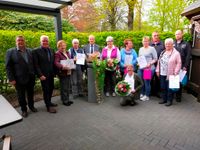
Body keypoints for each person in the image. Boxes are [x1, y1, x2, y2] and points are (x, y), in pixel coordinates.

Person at [5, 35, 37, 118]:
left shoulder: (30, 51)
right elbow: (8, 66)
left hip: (31, 77)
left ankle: (31, 106)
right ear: (16, 42)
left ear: (24, 41)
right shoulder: (10, 52)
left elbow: (34, 64)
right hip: (18, 79)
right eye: (18, 40)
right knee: (21, 95)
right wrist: (11, 79)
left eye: (22, 40)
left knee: (31, 93)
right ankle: (24, 110)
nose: (20, 42)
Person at [33, 35, 57, 113]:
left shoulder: (51, 50)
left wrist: (55, 72)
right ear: (40, 41)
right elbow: (35, 65)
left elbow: (53, 63)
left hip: (51, 74)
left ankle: (49, 102)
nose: (45, 42)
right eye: (43, 41)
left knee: (51, 88)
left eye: (46, 40)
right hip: (43, 75)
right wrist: (40, 75)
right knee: (46, 90)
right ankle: (48, 107)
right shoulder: (36, 51)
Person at [156, 38, 182, 106]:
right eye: (166, 44)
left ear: (172, 45)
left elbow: (179, 63)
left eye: (169, 44)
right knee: (163, 87)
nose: (167, 45)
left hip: (171, 74)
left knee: (169, 88)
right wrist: (158, 70)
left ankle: (169, 100)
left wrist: (175, 72)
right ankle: (164, 99)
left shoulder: (176, 53)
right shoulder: (163, 52)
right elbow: (159, 62)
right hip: (162, 73)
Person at [54, 40, 73, 106]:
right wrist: (62, 66)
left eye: (64, 45)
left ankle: (67, 99)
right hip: (63, 72)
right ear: (58, 47)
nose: (63, 47)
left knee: (67, 86)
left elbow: (70, 60)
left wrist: (73, 61)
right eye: (61, 46)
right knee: (64, 87)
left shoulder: (67, 52)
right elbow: (56, 62)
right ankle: (65, 101)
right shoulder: (57, 53)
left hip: (69, 71)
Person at [138, 36, 157, 101]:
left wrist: (150, 63)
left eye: (146, 41)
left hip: (148, 68)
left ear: (149, 42)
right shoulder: (140, 49)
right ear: (142, 42)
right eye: (144, 41)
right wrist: (139, 63)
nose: (145, 42)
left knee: (147, 82)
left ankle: (147, 95)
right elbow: (140, 58)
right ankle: (142, 93)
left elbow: (155, 59)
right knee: (141, 81)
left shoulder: (152, 49)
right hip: (141, 68)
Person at [174, 30, 191, 102]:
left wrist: (185, 66)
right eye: (176, 34)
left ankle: (178, 97)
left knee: (180, 82)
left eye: (178, 34)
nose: (177, 35)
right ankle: (173, 94)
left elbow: (188, 56)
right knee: (174, 80)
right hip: (174, 65)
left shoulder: (186, 44)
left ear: (182, 34)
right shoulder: (173, 43)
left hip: (182, 66)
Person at [150, 32, 165, 98]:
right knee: (148, 78)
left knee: (158, 79)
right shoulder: (149, 44)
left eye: (157, 35)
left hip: (159, 66)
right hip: (149, 66)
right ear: (152, 37)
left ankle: (157, 92)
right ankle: (149, 92)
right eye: (154, 35)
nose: (156, 36)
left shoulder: (163, 44)